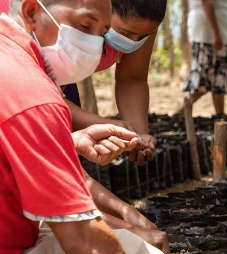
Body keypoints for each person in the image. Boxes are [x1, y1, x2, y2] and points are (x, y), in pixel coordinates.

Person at [1, 0, 169, 254]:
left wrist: (70, 141)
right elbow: (80, 236)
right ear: (31, 11)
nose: (94, 47)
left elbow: (41, 162)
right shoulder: (34, 98)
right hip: (10, 251)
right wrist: (124, 227)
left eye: (100, 32)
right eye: (85, 27)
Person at [63, 0, 166, 165]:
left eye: (144, 36)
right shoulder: (61, 18)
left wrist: (138, 135)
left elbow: (132, 78)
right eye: (126, 34)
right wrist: (107, 126)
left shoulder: (141, 24)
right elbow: (36, 95)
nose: (134, 41)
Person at [169, 0, 227, 117]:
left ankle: (220, 116)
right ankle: (178, 113)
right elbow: (206, 2)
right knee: (202, 80)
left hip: (219, 34)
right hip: (209, 34)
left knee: (218, 81)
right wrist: (216, 33)